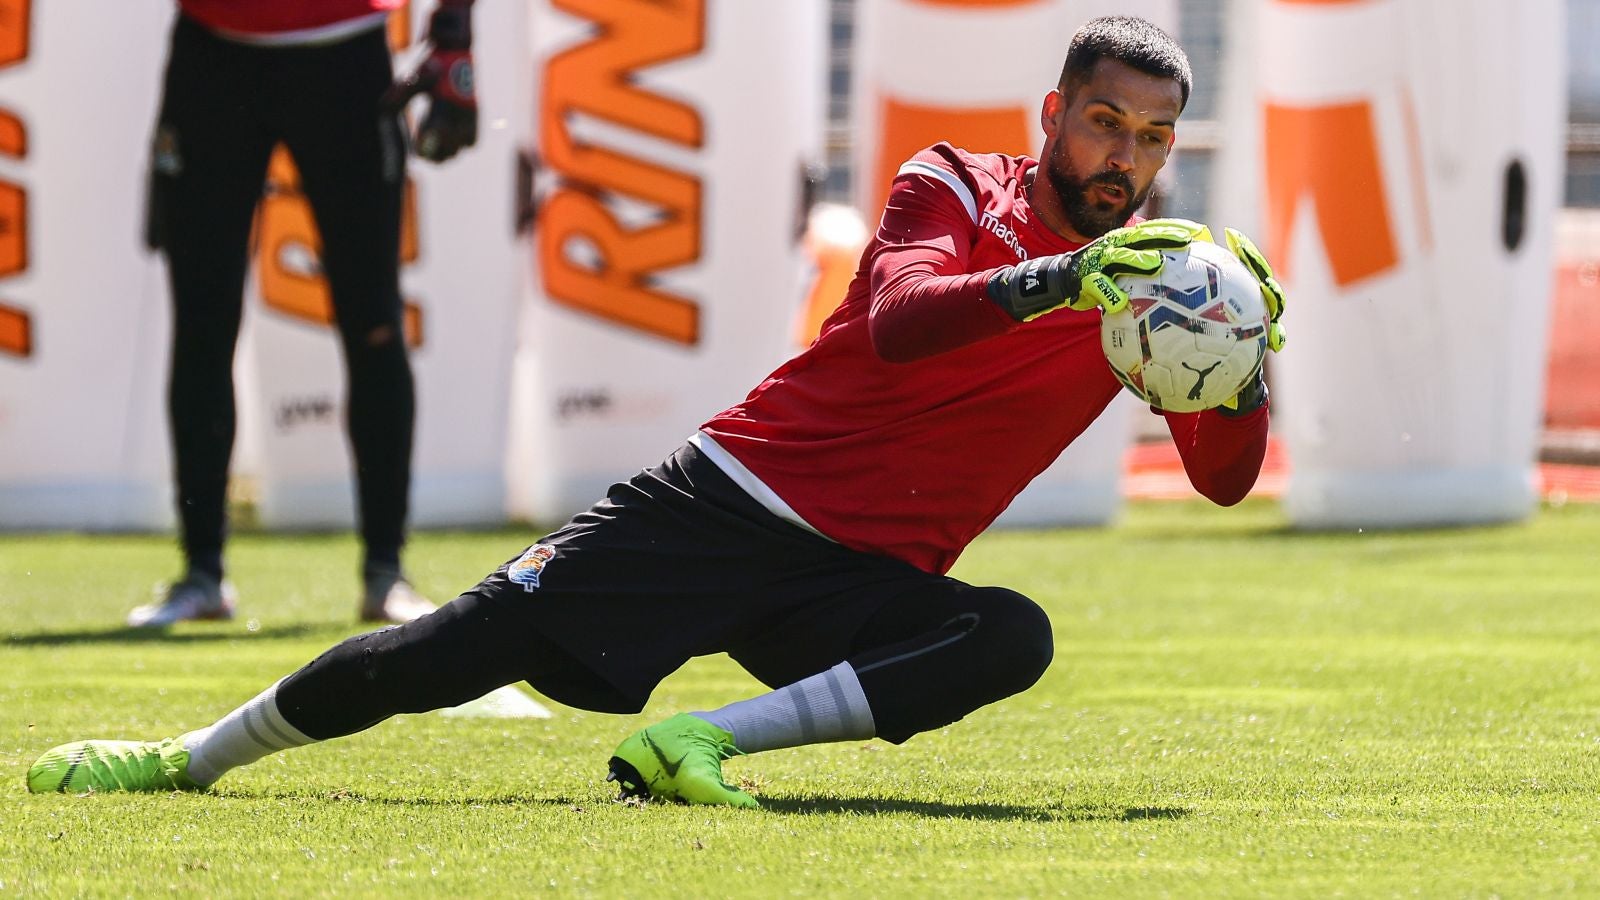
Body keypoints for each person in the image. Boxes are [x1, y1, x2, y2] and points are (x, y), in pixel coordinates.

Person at [33, 16, 1285, 806]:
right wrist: (1052, 278)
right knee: (438, 659)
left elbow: (1225, 480)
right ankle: (186, 756)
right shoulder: (952, 181)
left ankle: (705, 743)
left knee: (1009, 636)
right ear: (1053, 118)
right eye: (1104, 123)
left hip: (863, 579)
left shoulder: (1157, 288)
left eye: (1152, 137)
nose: (1123, 155)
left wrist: (1243, 361)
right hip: (725, 505)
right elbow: (904, 318)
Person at [125, 0, 480, 629]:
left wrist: (454, 30)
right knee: (203, 321)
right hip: (213, 48)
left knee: (373, 320)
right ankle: (202, 571)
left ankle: (385, 571)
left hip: (344, 51)